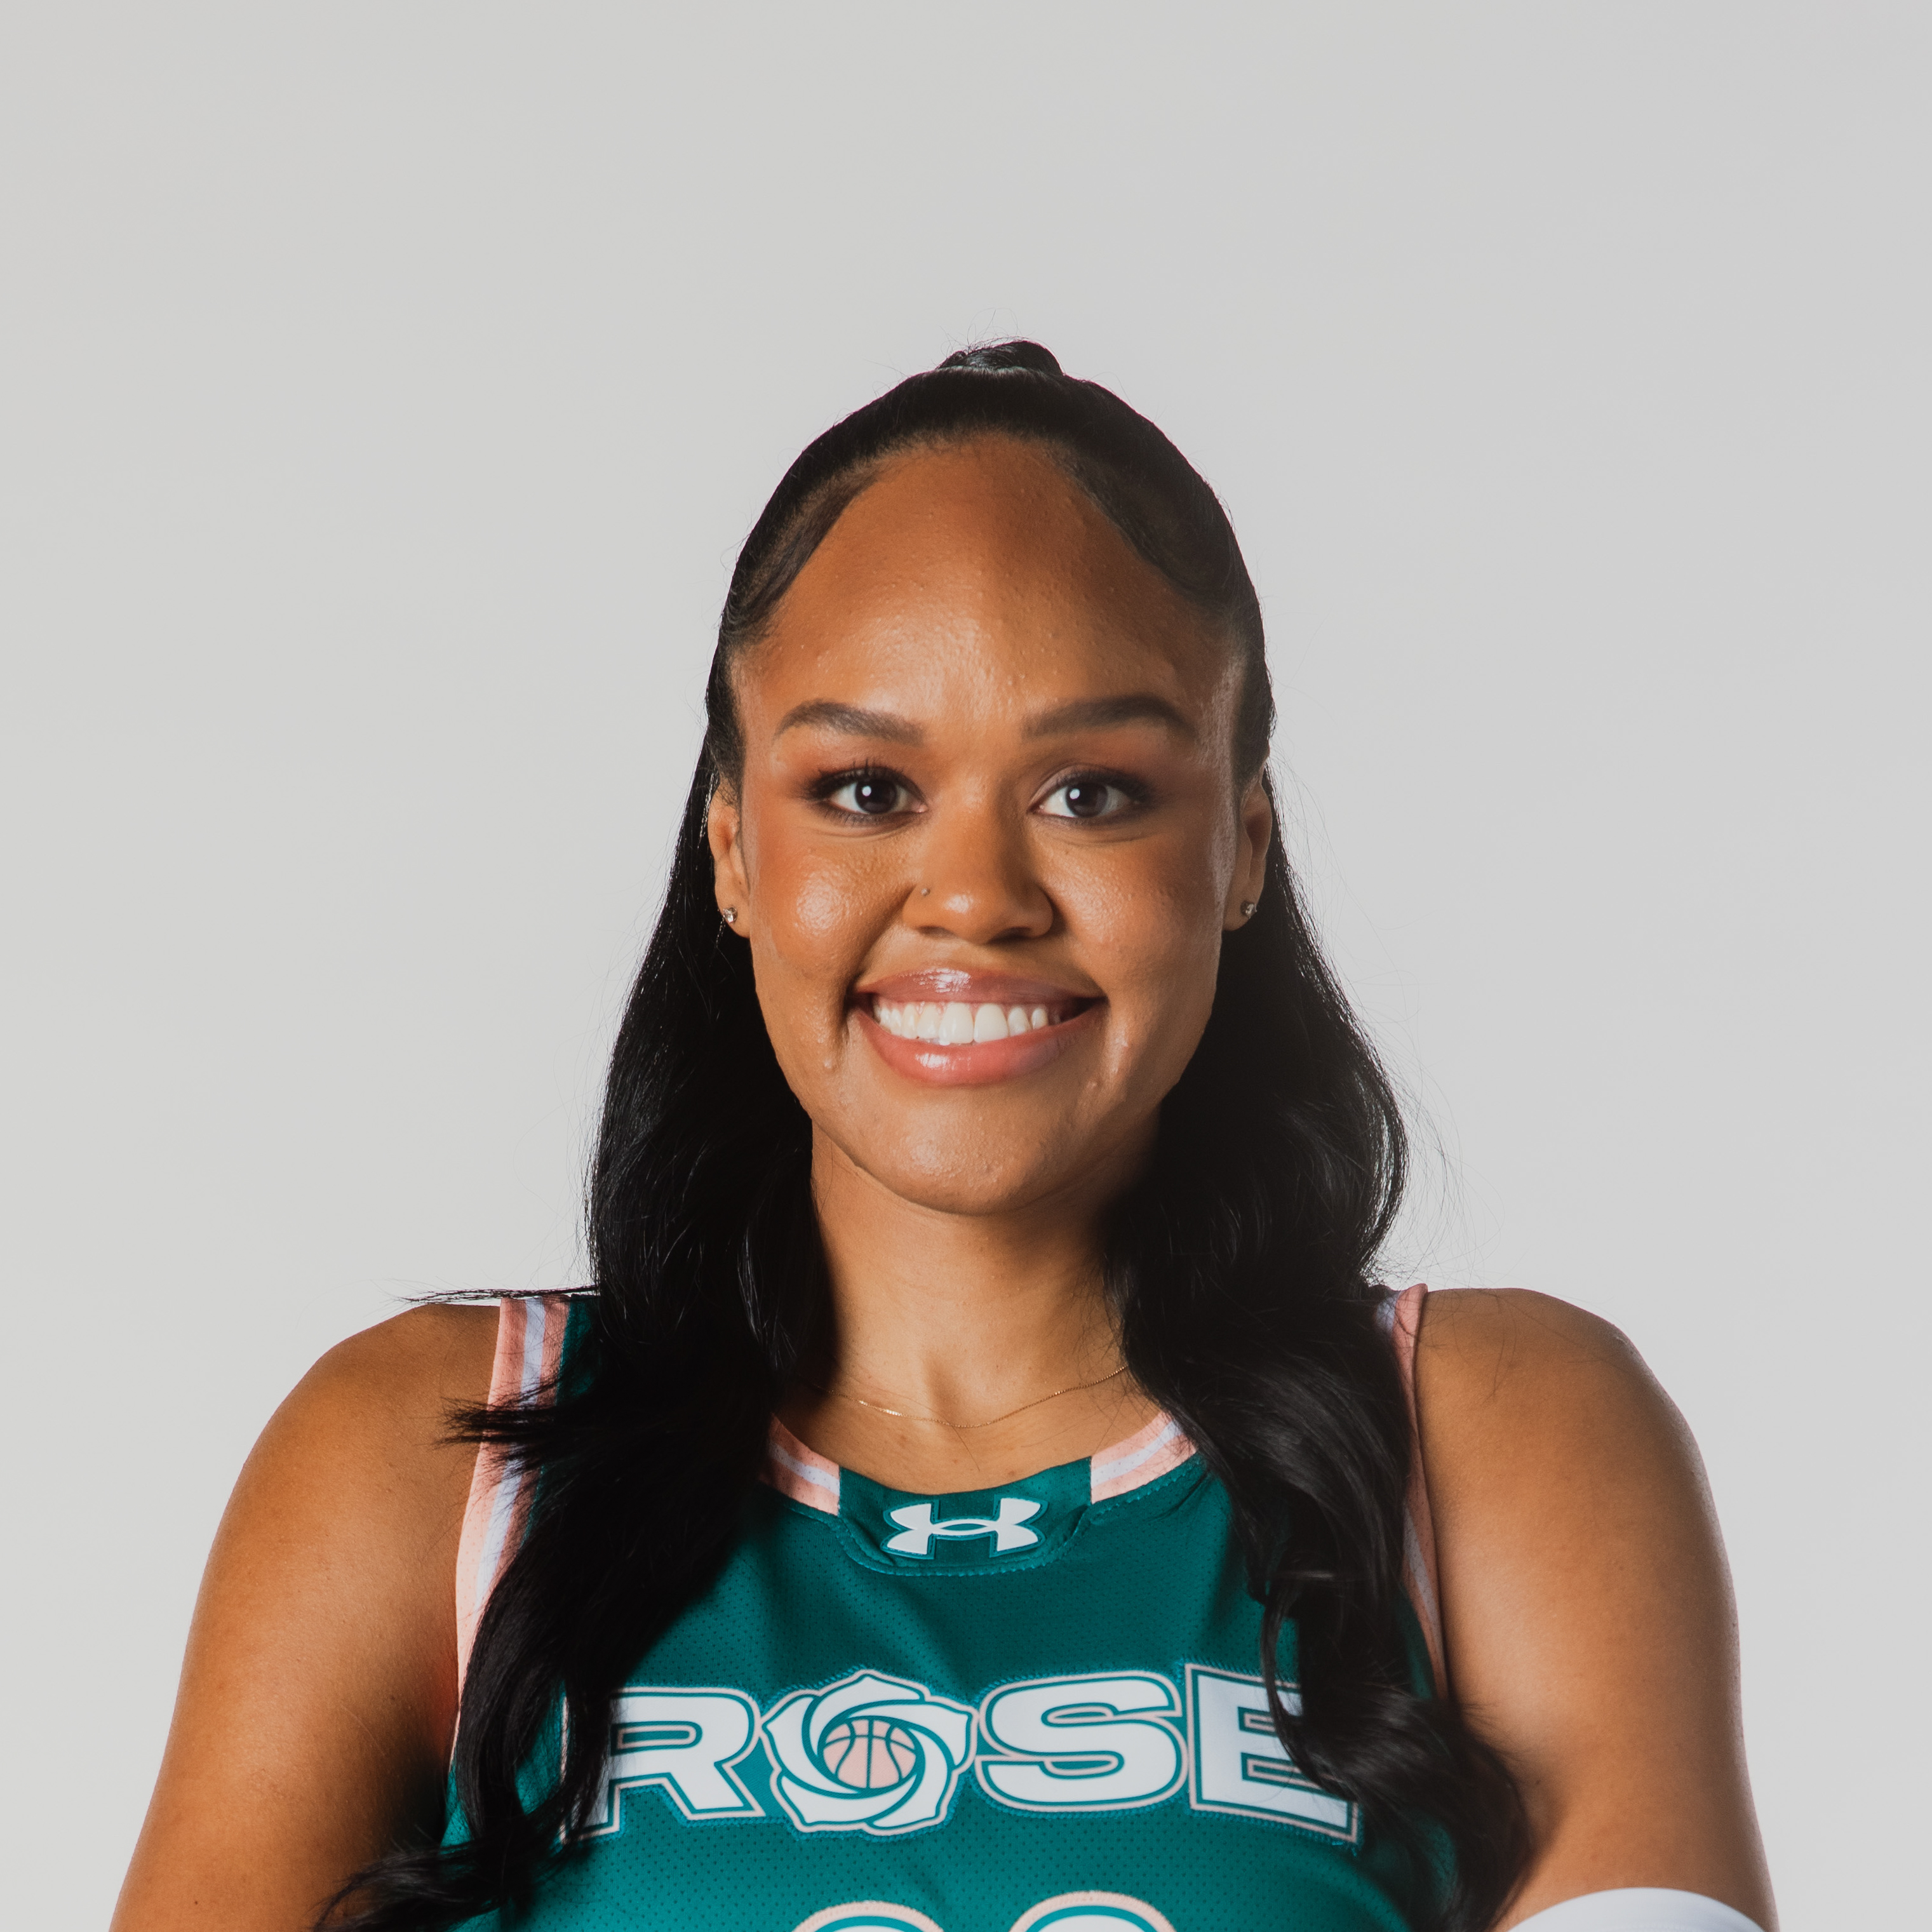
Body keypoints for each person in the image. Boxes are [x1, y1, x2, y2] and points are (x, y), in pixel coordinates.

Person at [112, 345, 1776, 1932]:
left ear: (1242, 846)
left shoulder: (1489, 1436)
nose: (974, 897)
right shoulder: (436, 1462)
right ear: (732, 848)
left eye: (1091, 791)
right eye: (865, 789)